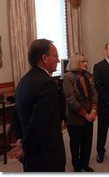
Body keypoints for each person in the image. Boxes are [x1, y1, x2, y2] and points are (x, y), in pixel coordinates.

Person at [8, 39, 66, 172]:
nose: (58, 60)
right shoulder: (47, 83)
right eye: (56, 56)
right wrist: (25, 148)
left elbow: (15, 115)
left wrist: (20, 140)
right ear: (45, 58)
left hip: (31, 158)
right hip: (46, 156)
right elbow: (38, 122)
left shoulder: (23, 80)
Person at [62, 53, 97, 172]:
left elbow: (94, 94)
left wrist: (93, 110)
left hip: (89, 114)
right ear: (75, 62)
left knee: (87, 142)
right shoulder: (68, 77)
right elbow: (71, 100)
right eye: (83, 61)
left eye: (86, 61)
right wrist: (85, 115)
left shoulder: (87, 75)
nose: (86, 63)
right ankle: (77, 166)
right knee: (76, 143)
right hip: (76, 117)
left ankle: (85, 163)